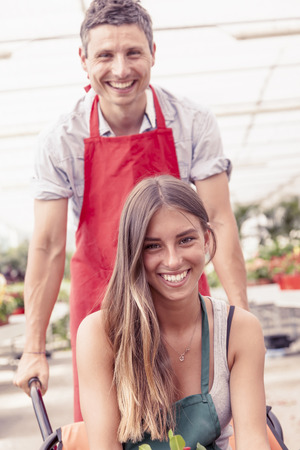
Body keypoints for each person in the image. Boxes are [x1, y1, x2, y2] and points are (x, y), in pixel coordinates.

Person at [14, 0, 249, 421]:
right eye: (105, 55)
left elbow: (218, 219)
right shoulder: (60, 141)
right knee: (112, 425)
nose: (121, 70)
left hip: (180, 301)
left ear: (154, 53)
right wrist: (34, 349)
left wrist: (239, 319)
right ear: (83, 61)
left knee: (195, 421)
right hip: (102, 305)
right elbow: (48, 247)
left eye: (133, 53)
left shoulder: (191, 122)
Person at [76, 175, 269, 450]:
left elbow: (253, 441)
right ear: (134, 253)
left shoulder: (239, 330)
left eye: (186, 240)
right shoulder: (100, 334)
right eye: (153, 246)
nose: (173, 260)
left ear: (205, 239)